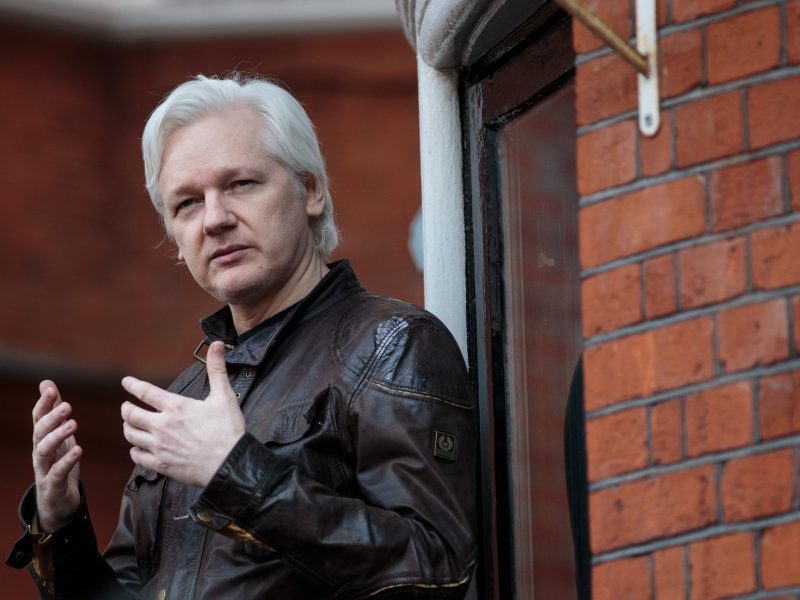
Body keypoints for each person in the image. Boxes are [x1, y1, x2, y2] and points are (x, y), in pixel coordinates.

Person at [7, 74, 477, 599]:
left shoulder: (392, 344)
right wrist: (62, 522)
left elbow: (436, 570)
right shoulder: (188, 397)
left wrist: (235, 472)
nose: (214, 219)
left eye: (240, 185)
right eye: (186, 203)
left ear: (310, 189)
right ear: (176, 242)